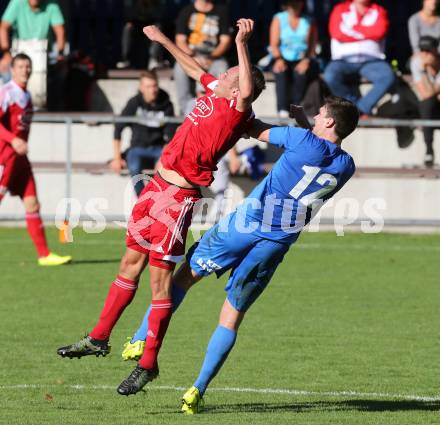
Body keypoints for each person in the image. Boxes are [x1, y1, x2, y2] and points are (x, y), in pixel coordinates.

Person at [56, 20, 266, 397]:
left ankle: (148, 364)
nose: (220, 74)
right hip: (154, 189)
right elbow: (193, 68)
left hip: (178, 200)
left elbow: (248, 88)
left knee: (159, 285)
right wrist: (163, 40)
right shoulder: (216, 92)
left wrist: (240, 43)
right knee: (128, 265)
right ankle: (99, 337)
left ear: (238, 84)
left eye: (231, 71)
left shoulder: (237, 107)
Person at [124, 96, 359, 413]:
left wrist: (234, 107)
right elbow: (319, 154)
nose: (315, 117)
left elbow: (254, 129)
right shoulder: (347, 166)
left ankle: (140, 337)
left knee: (183, 277)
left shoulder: (301, 139)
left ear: (330, 122)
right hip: (275, 245)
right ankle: (197, 390)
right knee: (232, 317)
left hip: (243, 226)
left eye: (320, 115)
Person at [0, 53, 71, 266]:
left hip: (20, 159)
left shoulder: (27, 95)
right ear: (12, 69)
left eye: (28, 66)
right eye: (20, 66)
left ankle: (44, 254)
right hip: (5, 157)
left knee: (32, 204)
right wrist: (13, 140)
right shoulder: (6, 93)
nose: (25, 70)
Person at [323, 0, 395, 116]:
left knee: (387, 76)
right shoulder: (340, 9)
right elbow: (337, 33)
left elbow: (380, 31)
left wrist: (351, 30)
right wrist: (367, 33)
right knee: (330, 76)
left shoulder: (379, 10)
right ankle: (353, 107)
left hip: (372, 60)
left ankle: (360, 109)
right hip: (343, 60)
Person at [111, 70, 175, 196]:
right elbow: (118, 128)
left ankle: (156, 201)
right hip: (137, 148)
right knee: (134, 166)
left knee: (165, 169)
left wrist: (164, 157)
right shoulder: (134, 103)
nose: (153, 90)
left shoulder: (166, 104)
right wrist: (117, 158)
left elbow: (171, 136)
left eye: (155, 85)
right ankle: (143, 201)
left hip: (158, 148)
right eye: (149, 86)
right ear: (141, 88)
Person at [0, 0, 66, 108]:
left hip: (43, 56)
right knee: (5, 74)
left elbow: (60, 31)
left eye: (27, 68)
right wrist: (6, 54)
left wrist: (60, 54)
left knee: (58, 77)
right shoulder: (17, 3)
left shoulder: (52, 6)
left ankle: (52, 111)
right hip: (19, 52)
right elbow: (3, 27)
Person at [174, 0, 233, 114]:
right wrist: (193, 58)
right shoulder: (186, 11)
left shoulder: (221, 11)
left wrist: (211, 57)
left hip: (215, 57)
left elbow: (225, 41)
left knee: (223, 68)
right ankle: (185, 110)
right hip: (191, 55)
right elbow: (180, 40)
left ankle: (219, 109)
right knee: (179, 68)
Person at [269, 0, 319, 117]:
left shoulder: (309, 21)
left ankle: (296, 109)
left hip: (303, 57)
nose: (295, 5)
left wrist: (306, 60)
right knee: (280, 71)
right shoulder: (278, 18)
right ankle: (282, 110)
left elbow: (312, 45)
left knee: (300, 73)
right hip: (282, 56)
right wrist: (278, 59)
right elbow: (274, 43)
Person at [410, 36, 440, 167]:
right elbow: (426, 94)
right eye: (422, 50)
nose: (425, 54)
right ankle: (429, 150)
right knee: (426, 104)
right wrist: (424, 69)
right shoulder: (417, 62)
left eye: (428, 50)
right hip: (427, 106)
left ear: (435, 51)